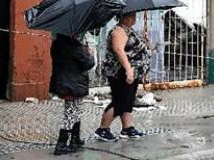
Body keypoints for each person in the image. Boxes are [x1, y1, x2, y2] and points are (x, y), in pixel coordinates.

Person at [95, 12, 150, 141]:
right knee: (119, 102)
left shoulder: (128, 30)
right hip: (121, 73)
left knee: (128, 100)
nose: (134, 18)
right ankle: (103, 129)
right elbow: (119, 50)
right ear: (123, 17)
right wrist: (128, 70)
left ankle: (127, 128)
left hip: (132, 72)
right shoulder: (118, 31)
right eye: (131, 16)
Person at [50, 34, 95, 155]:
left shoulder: (57, 44)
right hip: (73, 84)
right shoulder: (75, 46)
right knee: (71, 112)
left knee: (76, 110)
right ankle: (62, 143)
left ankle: (75, 138)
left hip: (64, 82)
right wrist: (89, 52)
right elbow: (89, 63)